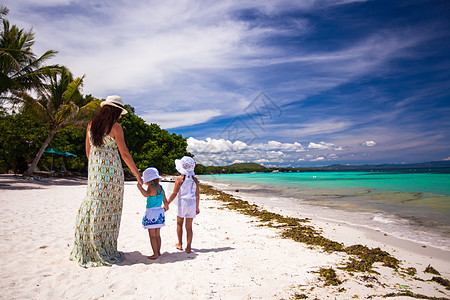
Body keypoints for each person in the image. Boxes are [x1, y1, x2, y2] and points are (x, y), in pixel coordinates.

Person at [70, 95, 143, 267]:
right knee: (109, 211)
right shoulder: (115, 127)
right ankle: (104, 247)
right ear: (116, 112)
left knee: (92, 206)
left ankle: (86, 246)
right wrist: (137, 174)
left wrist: (96, 167)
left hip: (95, 173)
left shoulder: (90, 125)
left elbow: (88, 153)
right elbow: (124, 154)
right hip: (112, 175)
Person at [167, 156, 200, 253]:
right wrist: (197, 207)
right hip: (192, 203)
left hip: (182, 203)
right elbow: (197, 195)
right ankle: (189, 246)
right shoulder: (195, 180)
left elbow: (174, 193)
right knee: (189, 227)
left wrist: (167, 203)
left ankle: (180, 244)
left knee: (179, 224)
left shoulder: (179, 180)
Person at [137, 167, 169, 259]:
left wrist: (140, 188)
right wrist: (165, 207)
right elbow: (165, 201)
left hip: (151, 212)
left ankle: (155, 253)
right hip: (159, 212)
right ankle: (158, 252)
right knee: (157, 234)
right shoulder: (161, 188)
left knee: (152, 235)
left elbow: (146, 195)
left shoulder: (151, 187)